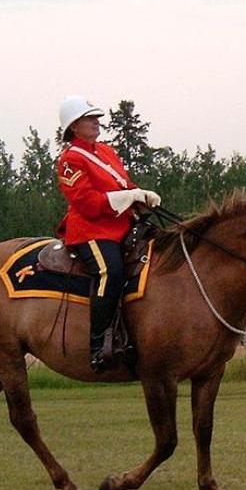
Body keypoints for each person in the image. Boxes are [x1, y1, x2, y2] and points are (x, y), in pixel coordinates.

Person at [55, 95, 162, 371]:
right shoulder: (69, 160)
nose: (96, 122)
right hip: (91, 230)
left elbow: (124, 185)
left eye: (96, 117)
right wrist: (128, 196)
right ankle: (97, 345)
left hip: (122, 226)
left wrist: (141, 197)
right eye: (89, 118)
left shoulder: (106, 152)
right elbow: (88, 204)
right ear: (74, 126)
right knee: (109, 272)